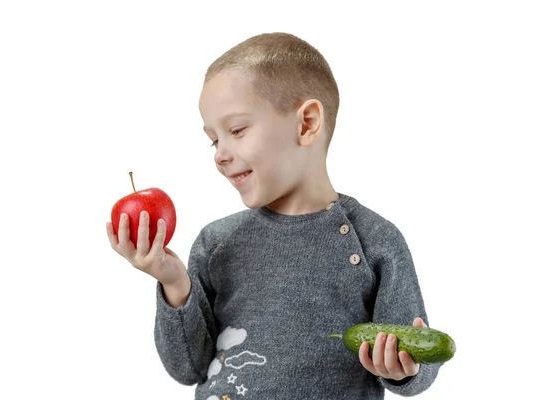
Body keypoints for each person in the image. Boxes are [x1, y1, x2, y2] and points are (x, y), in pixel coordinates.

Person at [106, 32, 441, 399]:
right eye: (214, 140)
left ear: (307, 123)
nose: (219, 154)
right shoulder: (216, 243)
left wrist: (401, 370)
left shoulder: (376, 241)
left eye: (236, 130)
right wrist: (173, 283)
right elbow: (188, 368)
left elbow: (419, 362)